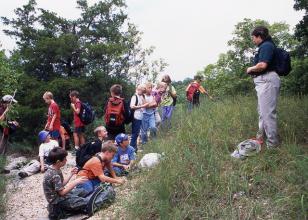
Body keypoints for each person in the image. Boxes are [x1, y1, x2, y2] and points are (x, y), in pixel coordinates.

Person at [246, 26, 281, 148]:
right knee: (262, 112)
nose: (253, 40)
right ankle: (261, 138)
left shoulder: (266, 46)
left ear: (259, 36)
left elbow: (262, 65)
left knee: (267, 113)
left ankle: (272, 145)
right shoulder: (265, 46)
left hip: (267, 80)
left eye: (253, 37)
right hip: (264, 81)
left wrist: (250, 69)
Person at [43, 147, 89, 219]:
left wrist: (71, 174)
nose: (66, 160)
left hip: (60, 196)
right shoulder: (54, 174)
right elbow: (62, 192)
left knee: (83, 192)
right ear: (58, 162)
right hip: (57, 202)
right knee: (85, 202)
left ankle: (64, 207)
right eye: (65, 159)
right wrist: (75, 182)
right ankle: (59, 211)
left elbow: (61, 184)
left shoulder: (54, 168)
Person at [129, 84, 148, 151]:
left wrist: (143, 98)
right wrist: (141, 106)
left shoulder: (142, 96)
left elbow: (146, 104)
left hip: (140, 116)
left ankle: (135, 148)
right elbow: (132, 106)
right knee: (135, 133)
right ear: (138, 89)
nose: (142, 91)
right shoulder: (134, 97)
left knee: (137, 133)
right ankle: (131, 149)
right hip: (135, 116)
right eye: (140, 90)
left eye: (143, 90)